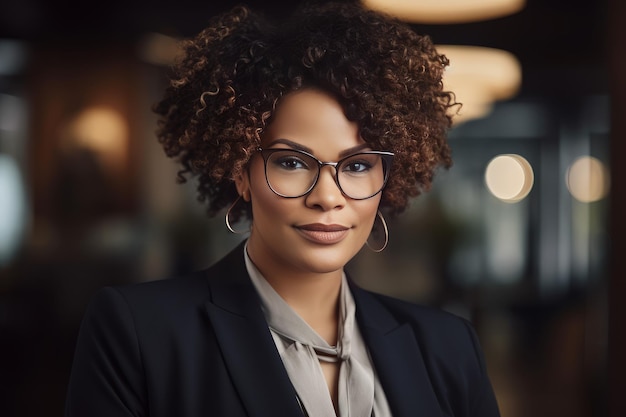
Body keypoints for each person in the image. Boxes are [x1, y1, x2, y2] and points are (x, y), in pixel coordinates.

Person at [65, 2, 501, 416]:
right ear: (241, 171)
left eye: (357, 165)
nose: (327, 197)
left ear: (387, 178)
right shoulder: (140, 333)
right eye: (292, 162)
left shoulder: (448, 346)